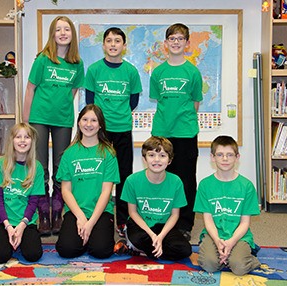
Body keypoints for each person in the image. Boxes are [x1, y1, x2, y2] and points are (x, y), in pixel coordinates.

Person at [23, 16, 85, 236]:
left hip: (63, 120)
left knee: (60, 167)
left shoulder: (77, 63)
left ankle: (57, 212)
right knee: (40, 166)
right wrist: (26, 121)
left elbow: (73, 91)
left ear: (72, 34)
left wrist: (62, 108)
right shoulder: (42, 59)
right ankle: (43, 214)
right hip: (39, 118)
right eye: (58, 29)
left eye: (66, 29)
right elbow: (30, 89)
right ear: (52, 34)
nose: (62, 33)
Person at [85, 27, 142, 237]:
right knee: (99, 175)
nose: (113, 44)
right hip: (101, 132)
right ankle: (98, 216)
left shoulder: (131, 72)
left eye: (117, 41)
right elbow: (89, 102)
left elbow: (133, 102)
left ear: (124, 46)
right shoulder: (94, 70)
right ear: (103, 45)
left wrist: (119, 114)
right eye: (109, 40)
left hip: (123, 130)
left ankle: (123, 221)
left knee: (124, 176)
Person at [149, 23, 203, 240]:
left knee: (186, 179)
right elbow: (159, 100)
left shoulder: (193, 72)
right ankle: (162, 219)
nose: (176, 42)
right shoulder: (158, 72)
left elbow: (195, 103)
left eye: (180, 39)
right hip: (162, 133)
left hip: (186, 133)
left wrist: (182, 120)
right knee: (161, 177)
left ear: (187, 43)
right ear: (166, 43)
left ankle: (184, 224)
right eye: (172, 38)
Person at [55, 104, 120, 259]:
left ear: (100, 126)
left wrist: (90, 224)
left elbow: (106, 192)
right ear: (78, 123)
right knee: (66, 250)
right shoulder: (69, 153)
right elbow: (66, 191)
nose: (89, 124)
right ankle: (84, 238)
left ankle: (90, 237)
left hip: (101, 212)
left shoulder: (108, 153)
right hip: (77, 211)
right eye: (85, 119)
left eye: (94, 120)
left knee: (101, 251)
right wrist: (81, 218)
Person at [194, 135, 261, 276]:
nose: (225, 159)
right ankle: (225, 257)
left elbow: (245, 222)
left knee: (239, 268)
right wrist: (218, 241)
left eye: (230, 155)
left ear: (237, 158)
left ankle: (247, 257)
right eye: (220, 155)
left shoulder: (247, 186)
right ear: (213, 157)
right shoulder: (205, 185)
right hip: (213, 234)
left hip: (238, 236)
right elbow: (208, 220)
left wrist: (231, 242)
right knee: (209, 265)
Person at [118, 136, 192, 260]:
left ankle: (139, 251)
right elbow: (132, 212)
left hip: (163, 225)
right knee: (138, 238)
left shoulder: (176, 182)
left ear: (170, 160)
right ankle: (141, 245)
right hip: (141, 225)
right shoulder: (132, 181)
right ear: (144, 158)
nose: (157, 160)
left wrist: (160, 236)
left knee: (185, 250)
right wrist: (152, 235)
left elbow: (175, 215)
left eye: (162, 156)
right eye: (151, 155)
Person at [0, 123, 45, 264]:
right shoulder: (0, 165)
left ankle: (20, 239)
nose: (22, 140)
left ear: (32, 141)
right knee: (0, 257)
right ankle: (7, 238)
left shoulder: (37, 167)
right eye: (18, 137)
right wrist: (8, 226)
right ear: (12, 140)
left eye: (27, 137)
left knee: (33, 255)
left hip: (26, 221)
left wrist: (22, 226)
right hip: (3, 221)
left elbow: (33, 202)